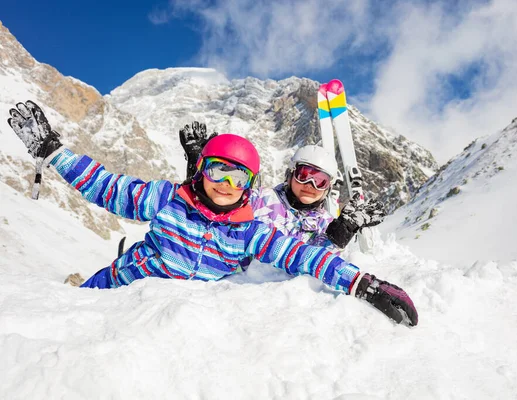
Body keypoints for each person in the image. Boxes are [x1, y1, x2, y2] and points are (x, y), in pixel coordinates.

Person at [7, 100, 418, 326]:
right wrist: (52, 152)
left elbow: (305, 256)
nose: (225, 184)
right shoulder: (167, 199)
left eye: (238, 178)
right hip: (109, 292)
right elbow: (107, 187)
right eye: (218, 170)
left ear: (250, 186)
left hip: (153, 322)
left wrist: (363, 284)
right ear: (202, 170)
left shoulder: (250, 232)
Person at [179, 122, 384, 251]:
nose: (310, 185)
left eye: (320, 181)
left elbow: (316, 263)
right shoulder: (260, 199)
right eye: (304, 175)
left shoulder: (326, 223)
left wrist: (339, 236)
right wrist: (198, 175)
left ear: (328, 188)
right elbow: (216, 204)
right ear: (290, 175)